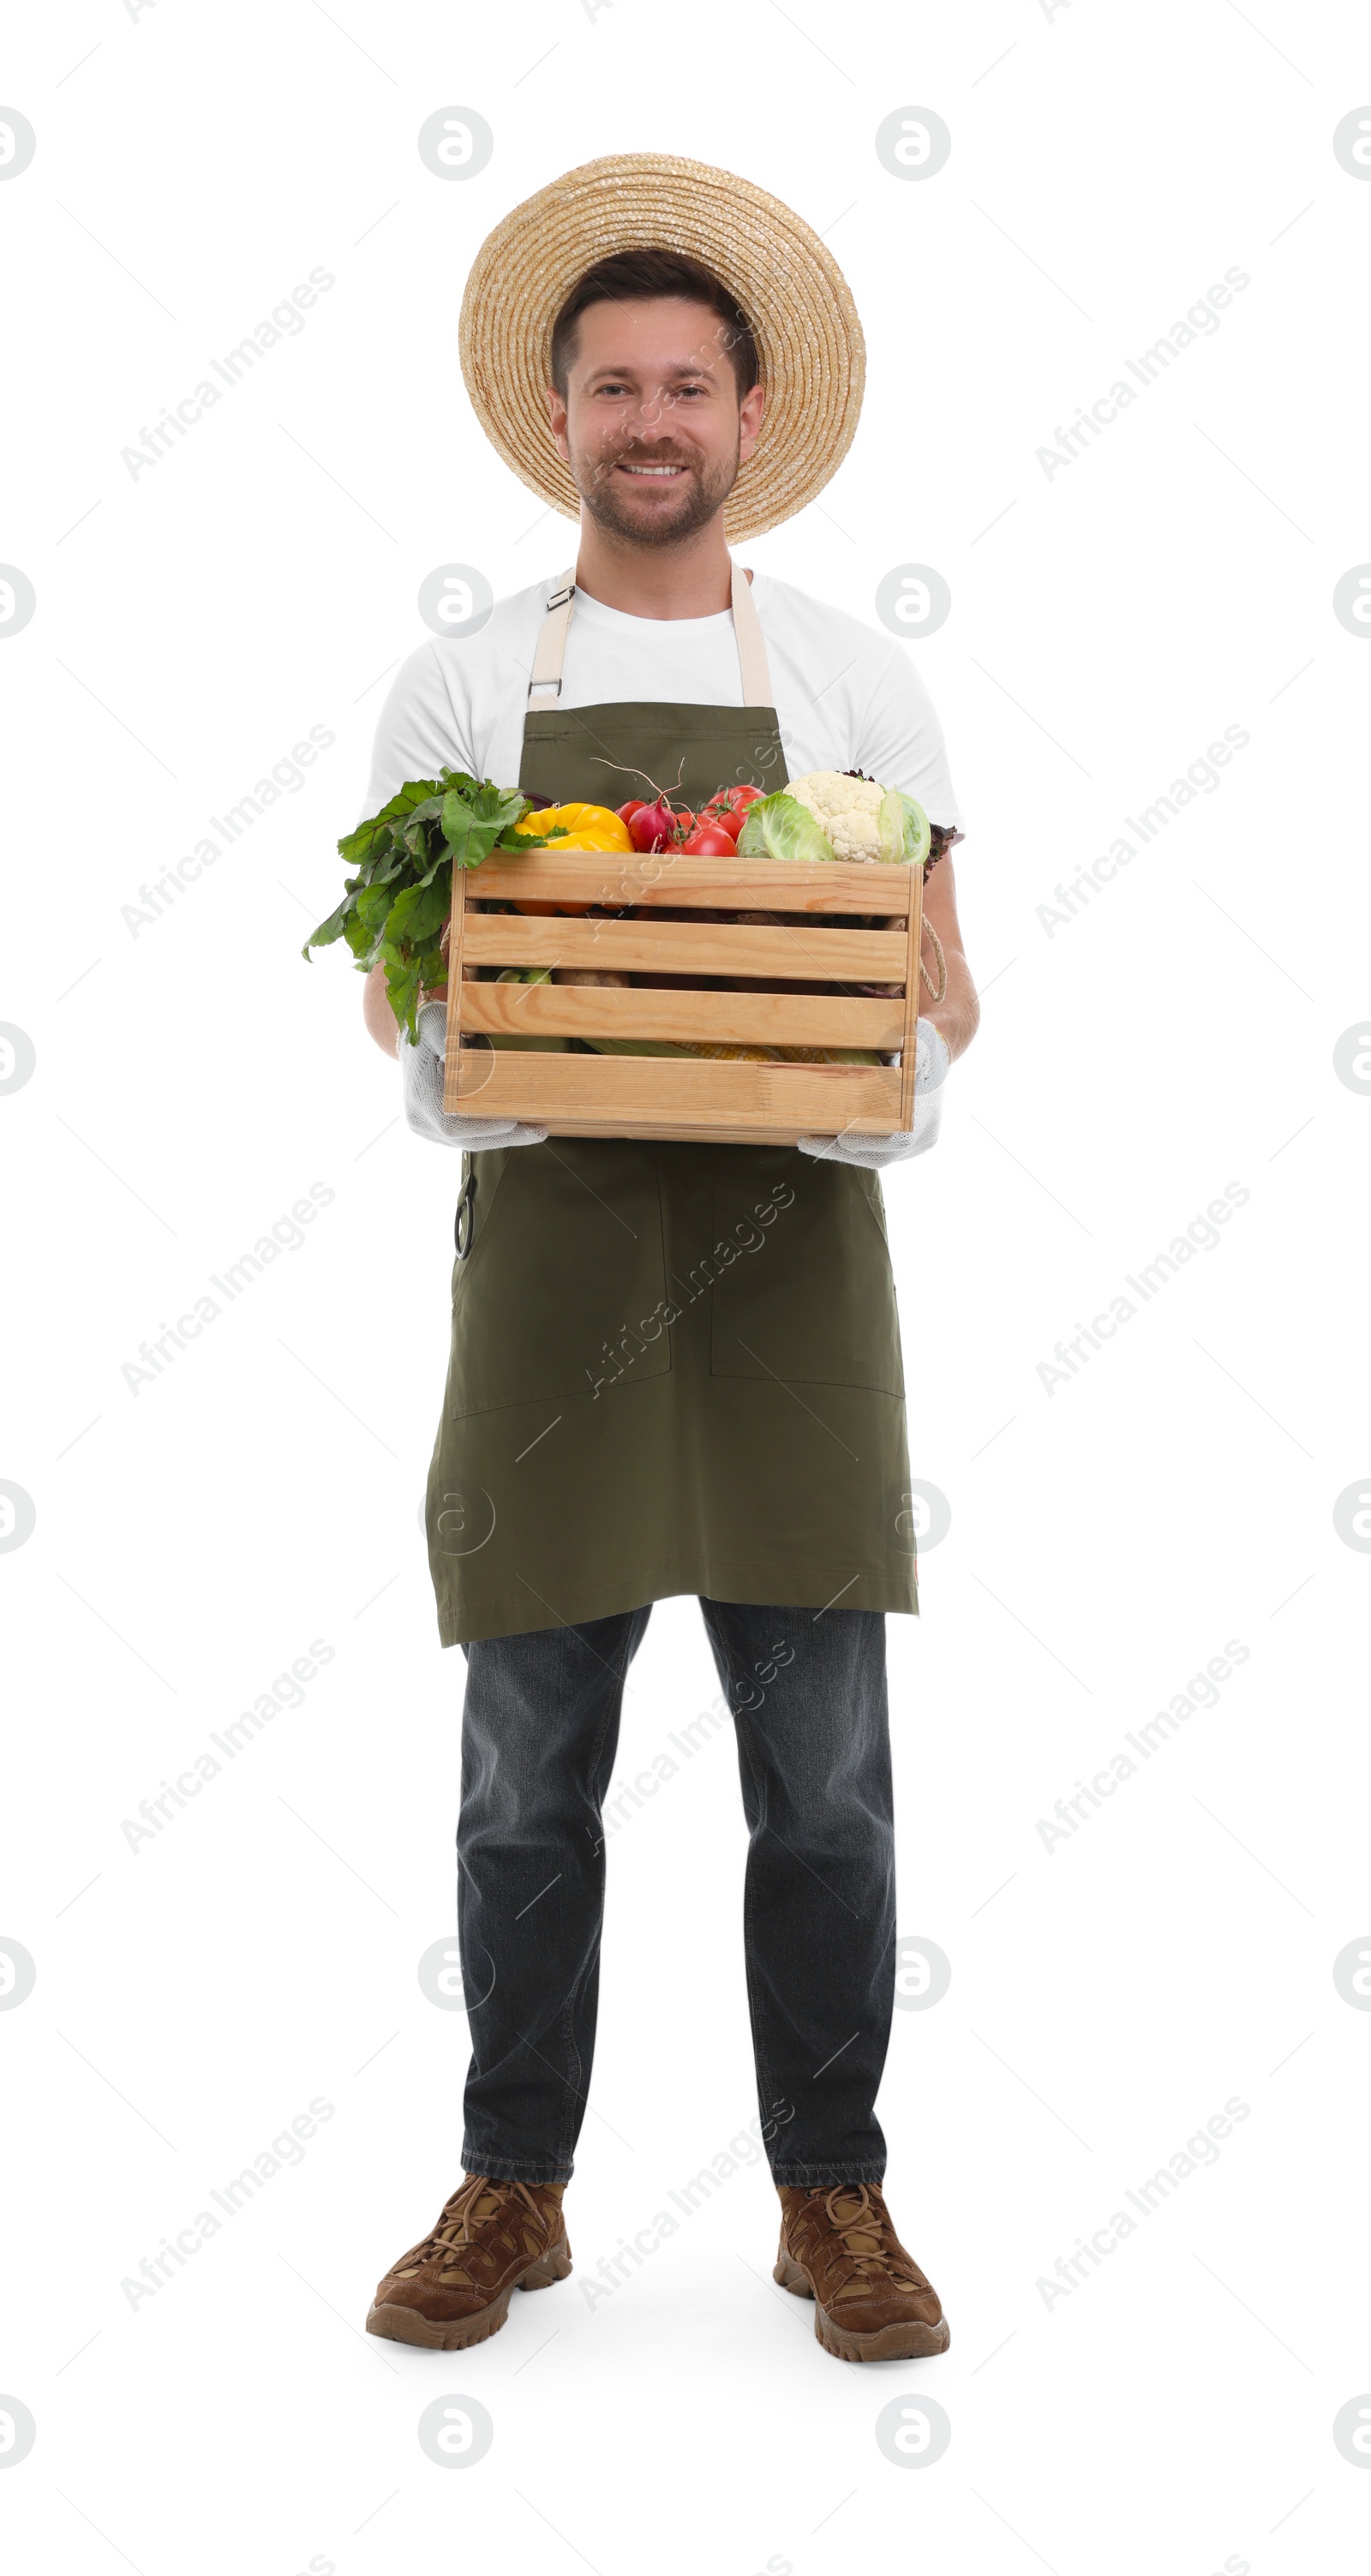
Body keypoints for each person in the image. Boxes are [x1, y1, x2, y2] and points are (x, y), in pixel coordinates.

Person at [358, 155, 979, 2364]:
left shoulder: (846, 692)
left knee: (826, 1788)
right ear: (557, 420)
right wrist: (512, 1042)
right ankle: (509, 2182)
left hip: (798, 1288)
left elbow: (919, 1037)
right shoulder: (456, 696)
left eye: (686, 386)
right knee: (527, 1774)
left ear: (743, 418)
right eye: (610, 385)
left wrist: (826, 1061)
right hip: (546, 1290)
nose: (649, 420)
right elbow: (438, 1052)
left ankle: (837, 2199)